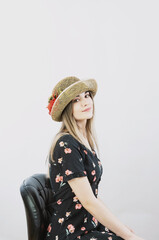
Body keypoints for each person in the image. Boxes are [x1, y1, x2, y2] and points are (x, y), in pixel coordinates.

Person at [45, 76, 145, 240]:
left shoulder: (83, 142)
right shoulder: (66, 144)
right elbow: (88, 201)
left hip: (88, 226)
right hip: (71, 233)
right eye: (76, 100)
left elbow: (93, 196)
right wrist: (126, 235)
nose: (85, 102)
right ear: (66, 109)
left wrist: (121, 228)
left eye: (87, 96)